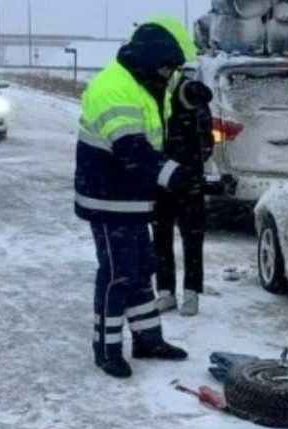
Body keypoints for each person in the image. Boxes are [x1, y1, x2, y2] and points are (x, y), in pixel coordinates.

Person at [74, 16, 199, 379]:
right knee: (117, 274)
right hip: (108, 198)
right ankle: (107, 349)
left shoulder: (141, 79)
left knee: (141, 268)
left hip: (131, 197)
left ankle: (147, 339)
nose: (169, 74)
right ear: (149, 60)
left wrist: (191, 101)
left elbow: (163, 118)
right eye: (165, 67)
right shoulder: (114, 88)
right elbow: (133, 150)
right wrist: (175, 177)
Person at [154, 77, 216, 316]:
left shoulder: (198, 100)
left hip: (191, 180)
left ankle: (191, 292)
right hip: (160, 178)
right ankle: (165, 292)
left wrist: (196, 161)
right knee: (161, 236)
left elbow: (208, 141)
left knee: (192, 237)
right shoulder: (161, 98)